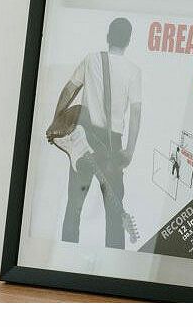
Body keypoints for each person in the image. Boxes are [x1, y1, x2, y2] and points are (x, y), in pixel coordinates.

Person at [49, 17, 142, 248]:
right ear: (128, 41)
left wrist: (56, 122)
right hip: (112, 144)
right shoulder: (133, 71)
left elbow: (69, 90)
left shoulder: (91, 60)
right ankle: (115, 262)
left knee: (74, 205)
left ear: (108, 36)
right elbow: (136, 114)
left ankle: (66, 257)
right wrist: (129, 151)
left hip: (85, 137)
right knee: (114, 213)